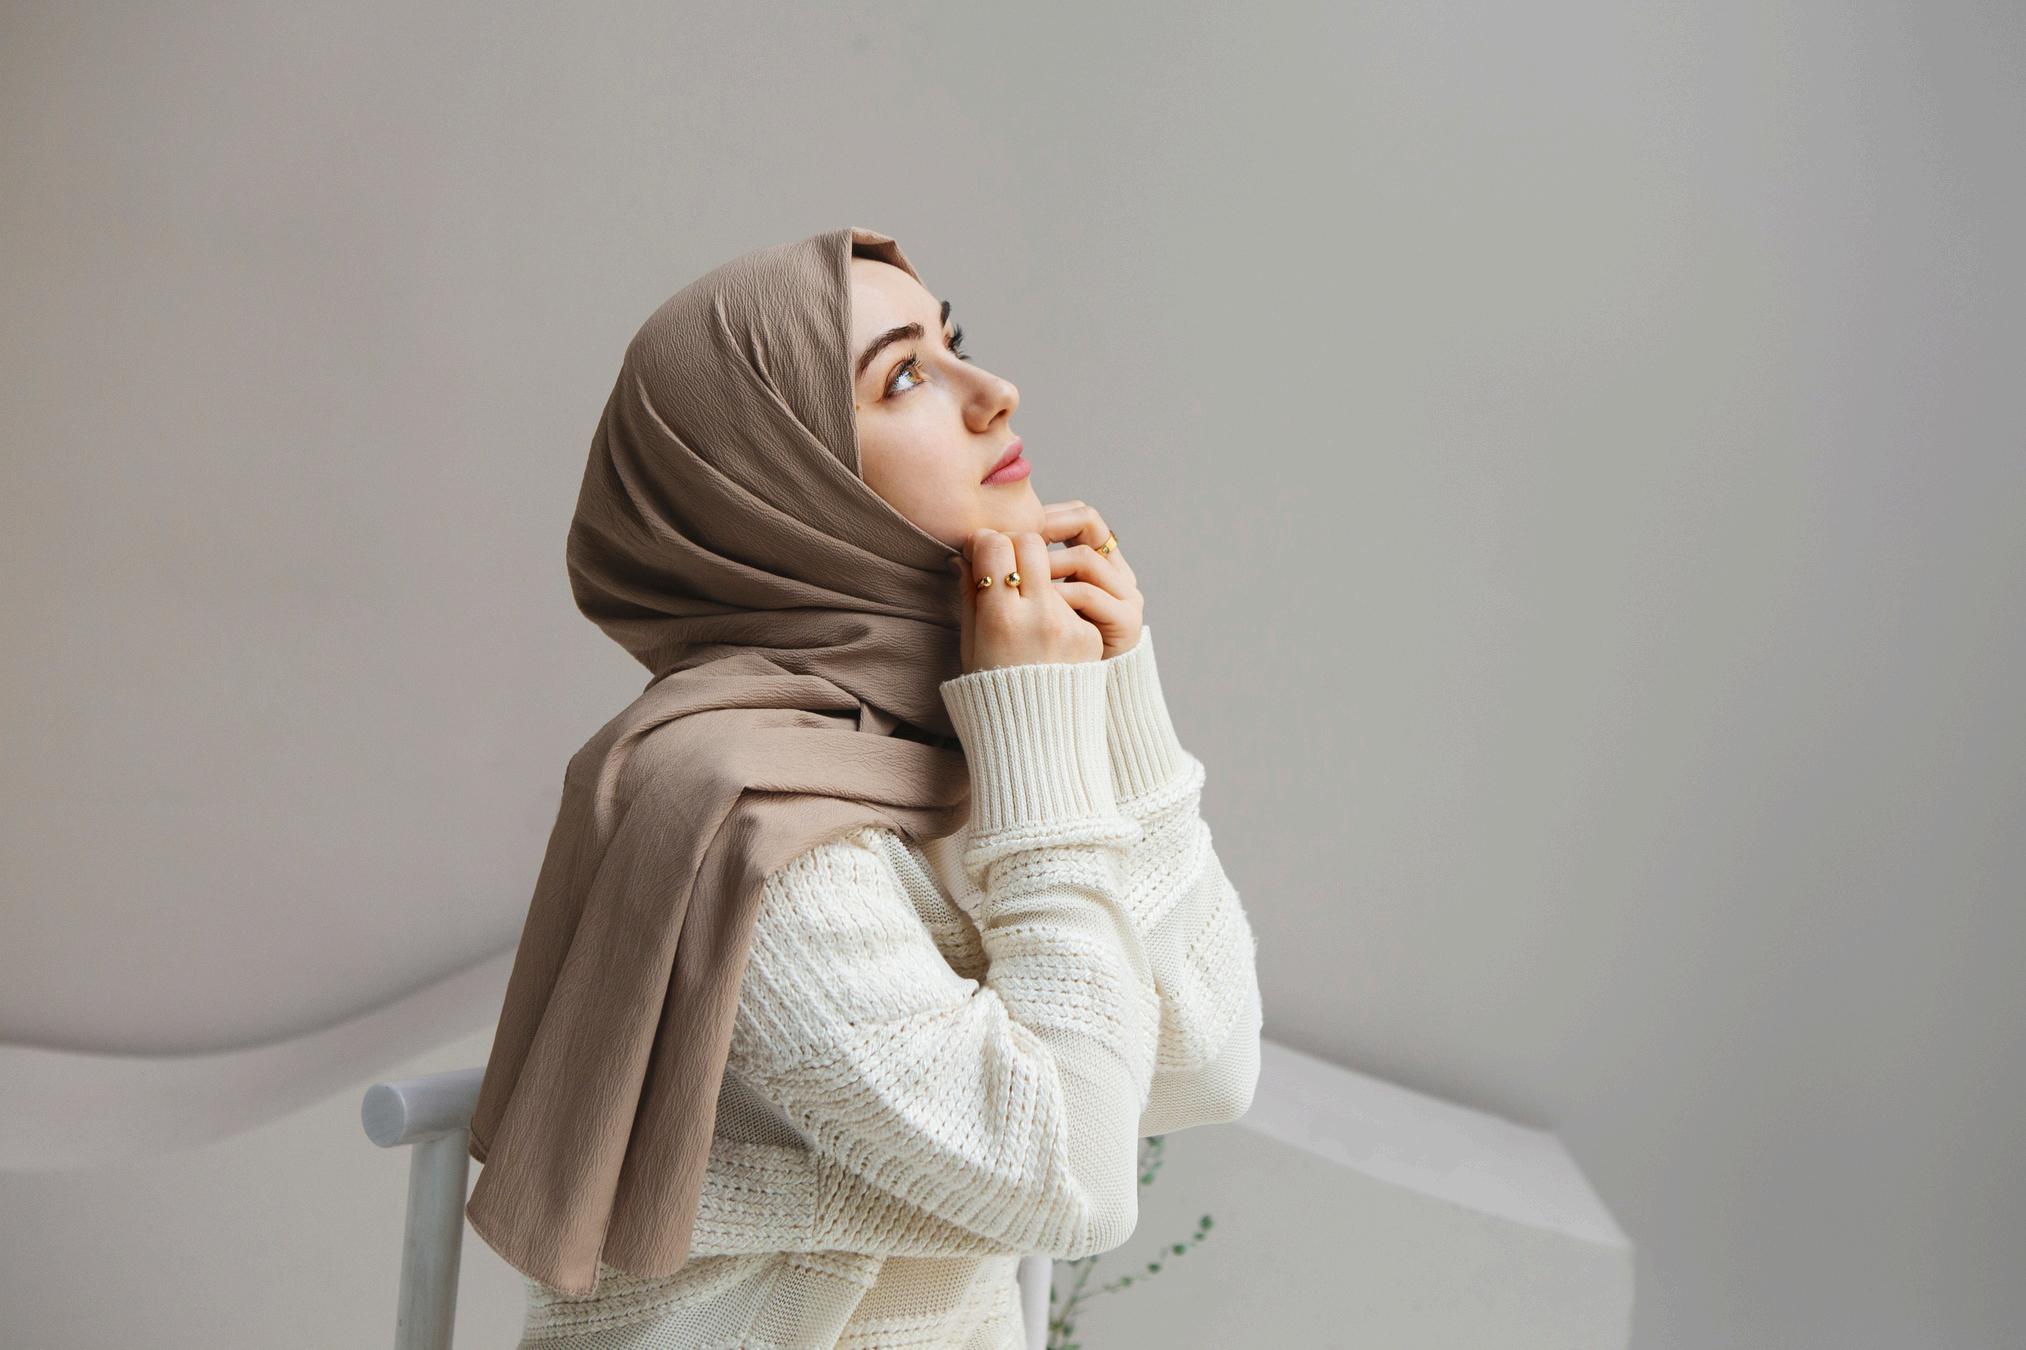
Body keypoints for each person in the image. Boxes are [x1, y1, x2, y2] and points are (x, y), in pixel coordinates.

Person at [469, 226, 1262, 1350]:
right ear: (783, 488)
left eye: (954, 343)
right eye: (903, 378)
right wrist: (1040, 716)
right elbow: (1078, 1180)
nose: (994, 392)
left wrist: (1115, 691)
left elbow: (1206, 1067)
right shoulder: (748, 820)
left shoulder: (949, 733)